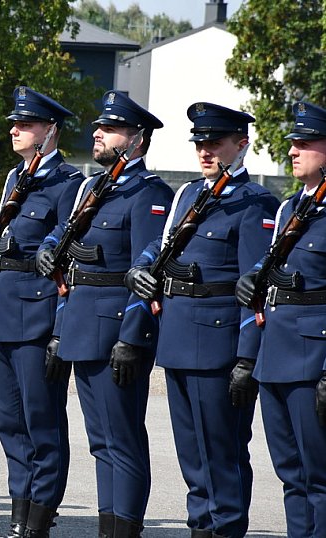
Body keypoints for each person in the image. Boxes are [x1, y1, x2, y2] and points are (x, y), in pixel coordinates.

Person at [126, 103, 278, 538]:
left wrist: (246, 358)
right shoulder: (188, 195)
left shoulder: (255, 204)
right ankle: (200, 528)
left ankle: (226, 528)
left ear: (241, 144)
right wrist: (144, 261)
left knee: (222, 454)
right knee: (192, 457)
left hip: (218, 346)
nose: (206, 152)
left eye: (216, 143)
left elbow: (256, 287)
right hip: (178, 338)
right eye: (201, 144)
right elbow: (164, 241)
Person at [36, 90, 174, 537]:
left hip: (116, 330)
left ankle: (125, 529)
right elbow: (62, 248)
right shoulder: (91, 187)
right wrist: (48, 250)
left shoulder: (149, 194)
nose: (97, 134)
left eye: (110, 129)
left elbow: (143, 272)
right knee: (100, 442)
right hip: (80, 323)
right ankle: (107, 528)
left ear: (137, 140)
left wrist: (132, 337)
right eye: (100, 127)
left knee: (123, 440)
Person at [0, 87, 83, 537]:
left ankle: (40, 516)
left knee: (42, 420)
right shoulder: (18, 177)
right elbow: (4, 232)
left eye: (26, 124)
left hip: (39, 314)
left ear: (50, 130)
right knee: (10, 421)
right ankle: (20, 513)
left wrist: (59, 327)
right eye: (15, 123)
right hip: (6, 312)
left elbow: (63, 255)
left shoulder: (68, 184)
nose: (15, 130)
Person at [236, 101, 326, 537]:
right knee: (290, 475)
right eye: (292, 143)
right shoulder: (291, 209)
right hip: (275, 359)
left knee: (320, 477)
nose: (293, 150)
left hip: (313, 360)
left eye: (305, 143)